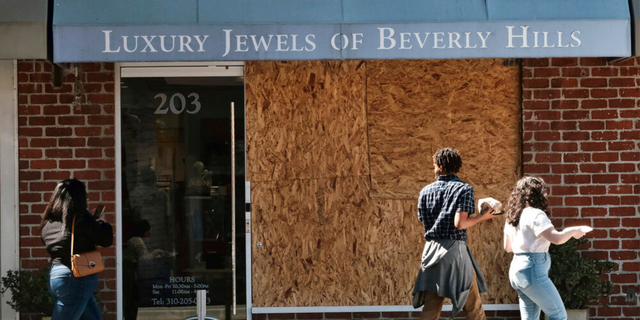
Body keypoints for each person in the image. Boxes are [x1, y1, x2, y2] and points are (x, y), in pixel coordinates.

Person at [413, 148, 499, 320]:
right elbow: (460, 224)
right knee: (474, 309)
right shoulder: (464, 189)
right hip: (455, 254)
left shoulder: (425, 191)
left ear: (440, 165)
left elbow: (424, 219)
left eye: (434, 165)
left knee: (430, 310)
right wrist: (482, 217)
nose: (433, 168)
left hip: (431, 252)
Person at [503, 177, 587, 320]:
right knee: (558, 315)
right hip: (532, 270)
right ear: (536, 194)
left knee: (530, 318)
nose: (546, 195)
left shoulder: (513, 215)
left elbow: (508, 247)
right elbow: (557, 238)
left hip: (517, 270)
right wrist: (574, 231)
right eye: (543, 191)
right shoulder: (536, 214)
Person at [40, 179, 113, 320]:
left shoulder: (48, 222)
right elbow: (106, 240)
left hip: (56, 276)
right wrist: (101, 222)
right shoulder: (81, 218)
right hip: (77, 277)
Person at [123, 220, 165, 320]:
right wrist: (155, 253)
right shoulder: (136, 240)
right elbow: (143, 259)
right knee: (133, 299)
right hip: (133, 273)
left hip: (131, 273)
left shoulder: (133, 239)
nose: (150, 232)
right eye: (148, 230)